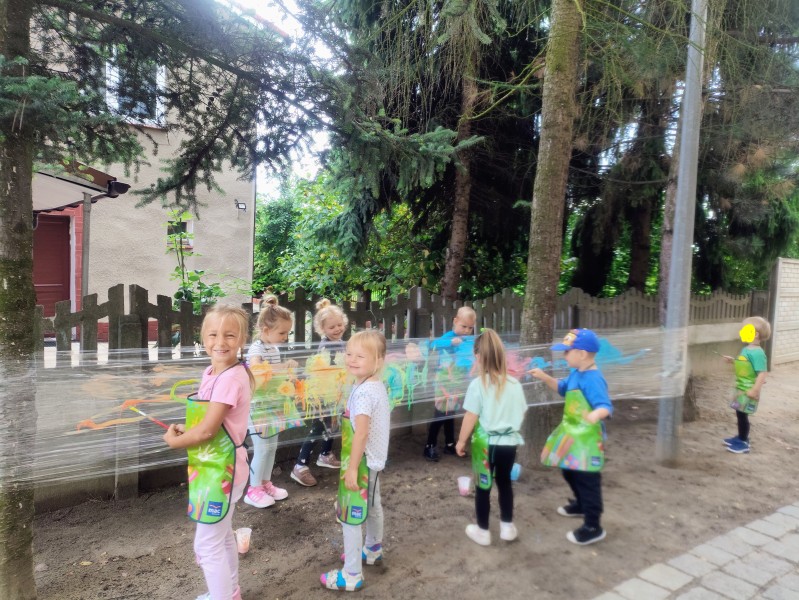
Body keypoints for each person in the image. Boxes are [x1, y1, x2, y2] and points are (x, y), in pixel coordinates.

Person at [163, 305, 255, 600]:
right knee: (222, 534)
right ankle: (230, 592)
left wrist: (176, 442)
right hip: (215, 468)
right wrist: (186, 429)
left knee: (206, 544)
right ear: (203, 337)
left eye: (230, 335)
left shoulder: (230, 379)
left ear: (242, 339)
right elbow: (206, 422)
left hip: (222, 472)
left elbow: (207, 432)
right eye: (213, 334)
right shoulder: (213, 372)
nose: (220, 342)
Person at [320, 330, 390, 592]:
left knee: (350, 515)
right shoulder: (373, 385)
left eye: (360, 356)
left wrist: (351, 469)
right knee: (372, 505)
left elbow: (361, 433)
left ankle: (351, 575)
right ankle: (372, 548)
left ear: (378, 360)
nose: (352, 359)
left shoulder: (363, 393)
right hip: (373, 461)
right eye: (349, 354)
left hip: (361, 463)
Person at [530, 328, 612, 546]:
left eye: (567, 351)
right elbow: (562, 388)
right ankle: (581, 505)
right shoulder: (577, 373)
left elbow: (605, 406)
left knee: (588, 481)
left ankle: (593, 526)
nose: (564, 355)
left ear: (582, 354)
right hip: (573, 436)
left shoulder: (593, 379)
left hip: (588, 441)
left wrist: (594, 415)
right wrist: (544, 376)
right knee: (569, 470)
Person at [455, 329, 528, 546]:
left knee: (482, 487)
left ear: (478, 357)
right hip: (509, 444)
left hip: (486, 445)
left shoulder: (478, 385)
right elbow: (522, 410)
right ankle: (507, 527)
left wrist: (461, 441)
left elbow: (470, 416)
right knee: (504, 483)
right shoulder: (515, 384)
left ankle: (483, 531)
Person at [244, 295, 295, 508]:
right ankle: (253, 489)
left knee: (272, 447)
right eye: (282, 333)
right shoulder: (257, 349)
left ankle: (265, 484)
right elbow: (256, 370)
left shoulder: (273, 348)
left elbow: (274, 376)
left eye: (287, 333)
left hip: (272, 404)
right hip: (257, 407)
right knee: (262, 448)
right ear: (266, 330)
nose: (285, 337)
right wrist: (283, 368)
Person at [292, 299, 347, 487]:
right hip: (323, 397)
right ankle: (300, 465)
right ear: (322, 329)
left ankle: (325, 455)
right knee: (318, 429)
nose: (337, 329)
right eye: (332, 327)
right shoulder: (327, 346)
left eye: (339, 324)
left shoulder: (339, 343)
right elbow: (323, 373)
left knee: (331, 426)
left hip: (335, 395)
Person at [424, 306, 477, 461]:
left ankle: (449, 444)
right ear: (455, 321)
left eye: (470, 328)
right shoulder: (450, 336)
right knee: (440, 414)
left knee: (450, 413)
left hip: (456, 382)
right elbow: (432, 345)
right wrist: (450, 342)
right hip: (443, 383)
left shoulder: (468, 340)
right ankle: (429, 446)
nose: (466, 331)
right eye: (464, 326)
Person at [722, 316, 771, 454]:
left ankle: (743, 442)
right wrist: (733, 360)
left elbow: (762, 373)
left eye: (745, 330)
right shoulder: (747, 349)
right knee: (739, 413)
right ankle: (740, 437)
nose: (741, 332)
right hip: (740, 388)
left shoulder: (758, 353)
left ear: (755, 334)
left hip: (748, 390)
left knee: (743, 415)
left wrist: (755, 390)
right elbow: (744, 363)